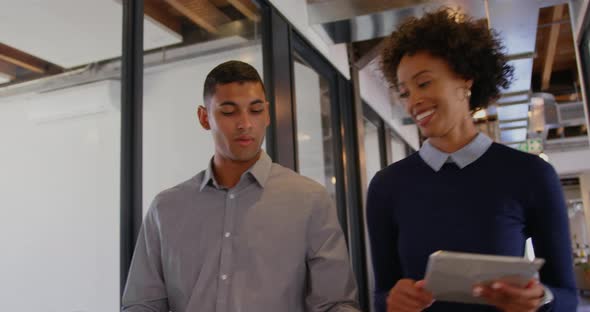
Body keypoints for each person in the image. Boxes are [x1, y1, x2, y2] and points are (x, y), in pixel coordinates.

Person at [366, 8, 577, 312]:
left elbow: (567, 296)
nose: (413, 101)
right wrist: (392, 301)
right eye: (404, 92)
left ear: (465, 81)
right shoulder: (387, 187)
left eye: (423, 83)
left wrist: (540, 298)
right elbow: (382, 294)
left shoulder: (531, 174)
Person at [122, 60, 360, 312]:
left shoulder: (311, 200)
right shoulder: (166, 209)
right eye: (229, 111)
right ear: (204, 118)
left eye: (255, 110)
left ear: (267, 114)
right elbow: (142, 305)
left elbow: (335, 304)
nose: (245, 124)